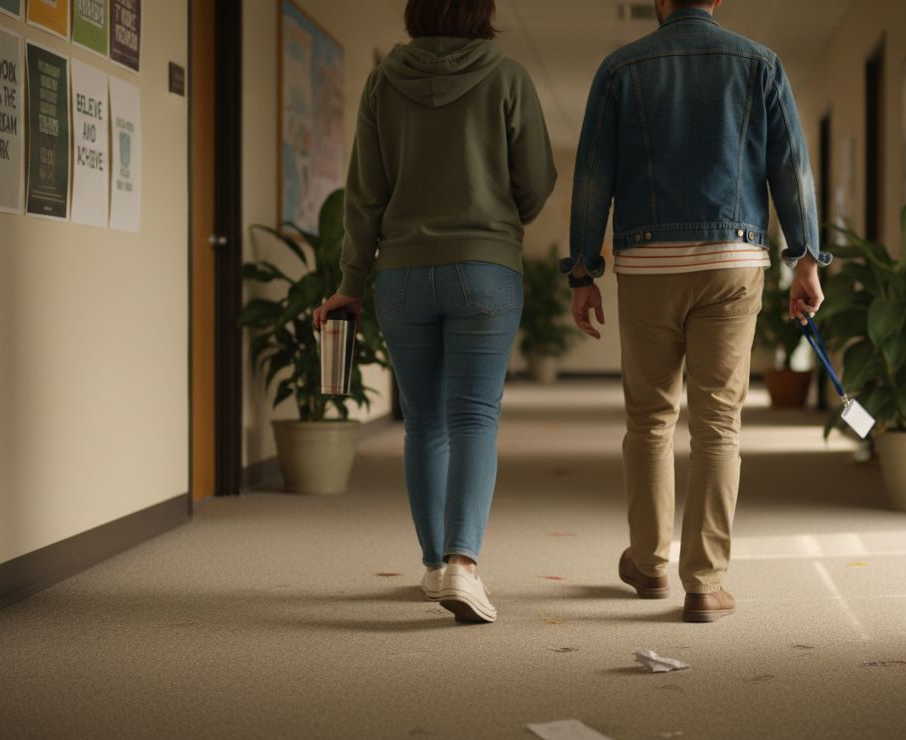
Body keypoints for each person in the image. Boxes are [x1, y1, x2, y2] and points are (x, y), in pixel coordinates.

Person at [564, 0, 829, 623]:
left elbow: (591, 174)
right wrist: (807, 259)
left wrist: (582, 270)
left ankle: (650, 564)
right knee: (718, 423)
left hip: (650, 266)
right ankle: (704, 584)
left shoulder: (621, 68)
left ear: (659, 0)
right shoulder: (760, 63)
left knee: (651, 418)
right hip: (734, 262)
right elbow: (790, 167)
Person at [314, 0, 556, 624]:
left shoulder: (382, 81)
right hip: (485, 268)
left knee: (424, 421)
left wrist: (349, 282)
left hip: (400, 274)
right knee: (475, 416)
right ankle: (462, 564)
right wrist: (501, 216)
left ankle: (432, 567)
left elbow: (365, 192)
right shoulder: (508, 78)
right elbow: (538, 178)